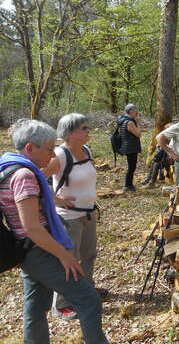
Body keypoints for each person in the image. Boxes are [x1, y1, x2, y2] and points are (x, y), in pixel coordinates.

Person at [0, 119, 108, 344]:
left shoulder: (9, 166)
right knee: (88, 299)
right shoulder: (24, 176)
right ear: (30, 148)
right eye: (49, 149)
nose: (52, 155)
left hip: (26, 250)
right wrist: (65, 255)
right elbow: (31, 227)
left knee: (36, 308)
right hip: (39, 251)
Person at [42, 114, 108, 320]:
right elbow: (38, 178)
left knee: (89, 255)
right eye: (84, 128)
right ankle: (61, 304)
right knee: (69, 259)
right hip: (68, 218)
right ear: (70, 133)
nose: (89, 131)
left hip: (88, 213)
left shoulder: (86, 150)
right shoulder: (60, 155)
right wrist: (55, 200)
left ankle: (87, 290)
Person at [117, 104, 141, 192]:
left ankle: (129, 185)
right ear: (131, 111)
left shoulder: (123, 120)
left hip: (128, 146)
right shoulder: (130, 122)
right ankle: (127, 186)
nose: (137, 113)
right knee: (132, 167)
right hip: (130, 147)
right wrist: (138, 123)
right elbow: (138, 134)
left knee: (131, 166)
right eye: (135, 111)